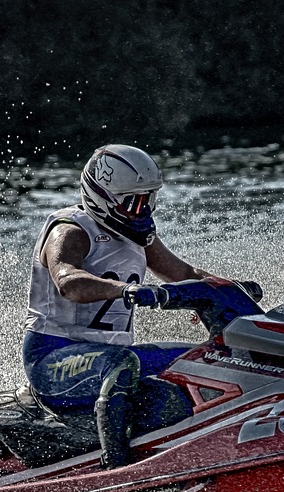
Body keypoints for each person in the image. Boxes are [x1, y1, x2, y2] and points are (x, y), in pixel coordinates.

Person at [23, 144, 214, 469]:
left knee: (203, 358)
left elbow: (183, 274)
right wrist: (127, 290)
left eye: (149, 199)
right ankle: (116, 466)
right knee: (122, 363)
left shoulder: (139, 235)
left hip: (108, 356)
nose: (143, 210)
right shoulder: (70, 229)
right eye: (135, 201)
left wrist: (226, 290)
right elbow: (69, 281)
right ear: (103, 197)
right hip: (52, 359)